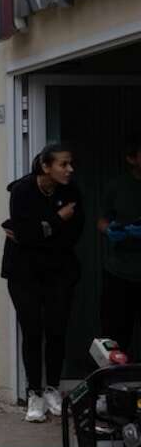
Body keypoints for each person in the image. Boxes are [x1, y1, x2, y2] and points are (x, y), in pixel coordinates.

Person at [0, 143, 83, 423]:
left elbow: (72, 234)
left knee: (57, 329)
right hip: (23, 273)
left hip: (59, 272)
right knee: (33, 331)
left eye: (70, 164)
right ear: (46, 167)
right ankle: (34, 393)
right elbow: (22, 232)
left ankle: (52, 389)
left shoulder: (71, 191)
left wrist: (37, 232)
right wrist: (56, 220)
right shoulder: (22, 190)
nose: (69, 169)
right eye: (63, 164)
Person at [98, 137, 141, 360]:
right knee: (116, 334)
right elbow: (102, 220)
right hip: (119, 272)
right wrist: (109, 230)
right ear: (132, 158)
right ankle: (113, 386)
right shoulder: (117, 186)